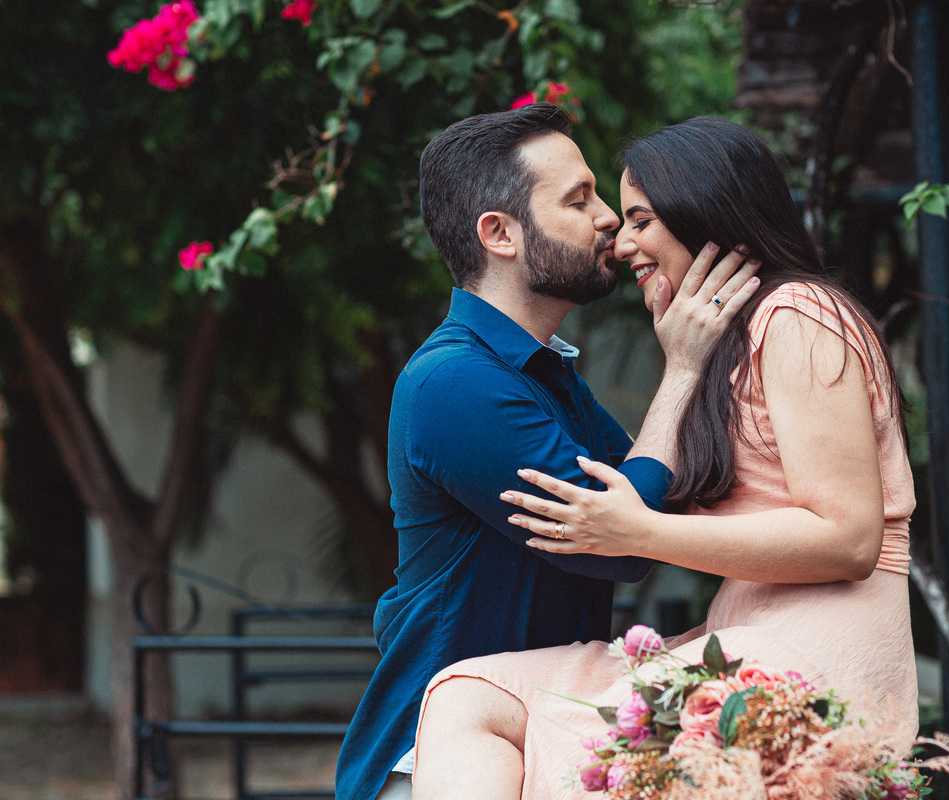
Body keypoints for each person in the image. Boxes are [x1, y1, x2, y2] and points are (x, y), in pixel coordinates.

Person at [410, 116, 918, 800]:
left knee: (597, 747)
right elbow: (637, 501)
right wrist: (682, 366)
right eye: (588, 203)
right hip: (745, 628)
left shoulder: (797, 313)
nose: (617, 238)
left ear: (703, 214)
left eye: (639, 218)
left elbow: (850, 538)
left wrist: (640, 529)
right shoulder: (717, 348)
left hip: (815, 637)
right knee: (466, 693)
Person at [335, 105, 760, 800]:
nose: (608, 221)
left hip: (528, 743)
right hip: (435, 762)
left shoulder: (542, 374)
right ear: (499, 233)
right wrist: (682, 370)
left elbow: (667, 499)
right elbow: (619, 543)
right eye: (578, 199)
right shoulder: (457, 383)